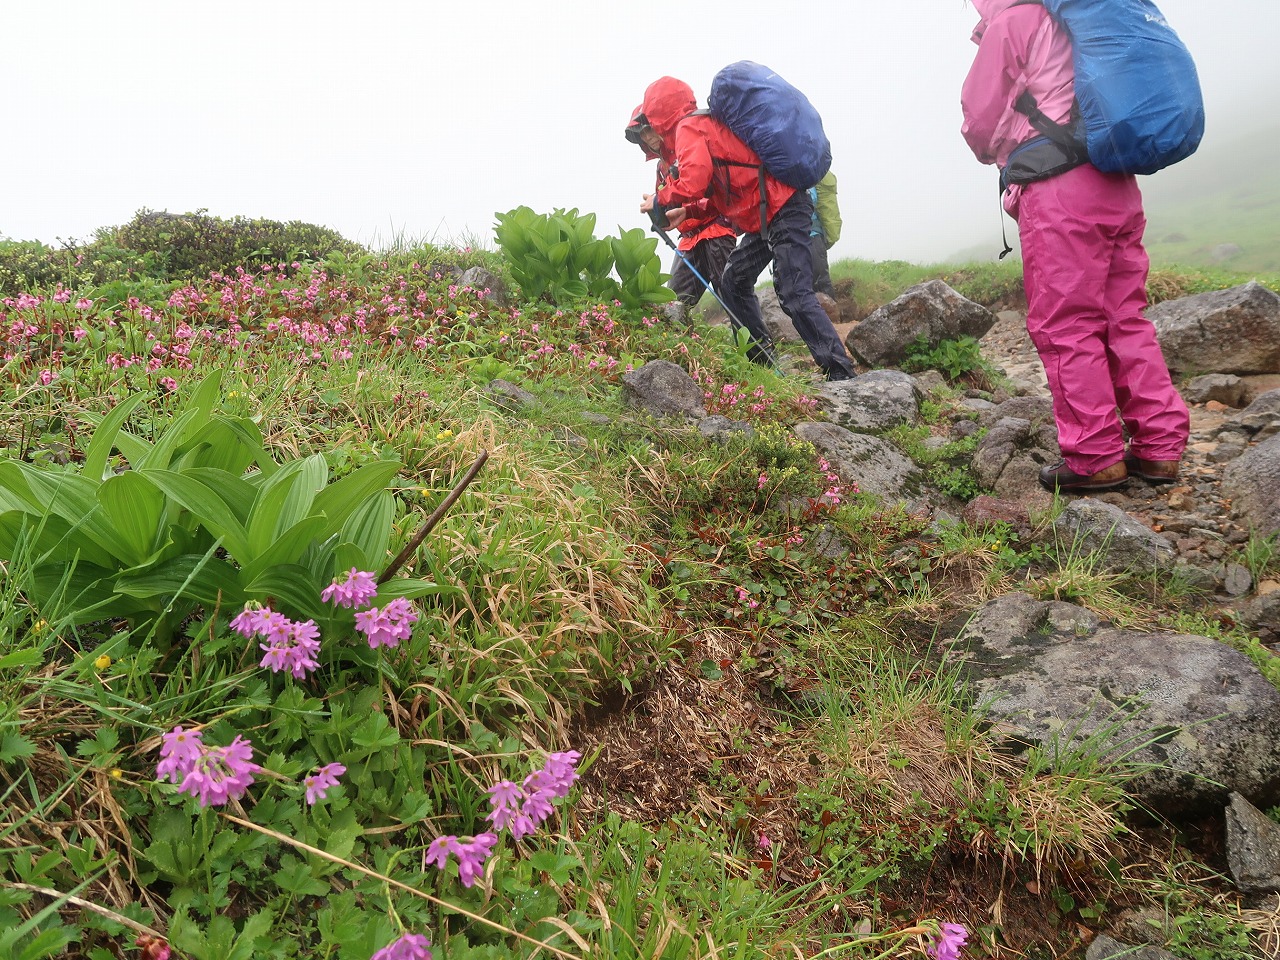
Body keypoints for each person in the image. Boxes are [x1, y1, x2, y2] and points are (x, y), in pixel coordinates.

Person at [960, 0, 1189, 493]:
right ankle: (1160, 448)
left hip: (1059, 190)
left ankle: (1095, 456)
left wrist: (995, 147)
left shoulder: (1016, 19)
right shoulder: (1078, 15)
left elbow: (979, 122)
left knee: (1066, 323)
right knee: (1125, 318)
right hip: (1116, 181)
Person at [636, 77, 856, 381]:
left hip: (784, 207)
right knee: (733, 281)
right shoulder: (701, 127)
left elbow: (695, 180)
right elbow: (720, 195)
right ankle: (761, 361)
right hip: (765, 216)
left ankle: (840, 372)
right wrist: (687, 211)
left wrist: (660, 199)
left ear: (659, 113)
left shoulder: (688, 127)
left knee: (793, 290)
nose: (649, 131)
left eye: (649, 121)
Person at [625, 106, 738, 309]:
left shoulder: (687, 148)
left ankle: (756, 341)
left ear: (660, 126)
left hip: (716, 230)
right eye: (642, 133)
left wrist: (681, 205)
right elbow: (669, 202)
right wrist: (656, 206)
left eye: (649, 129)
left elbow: (710, 189)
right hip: (688, 241)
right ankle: (680, 342)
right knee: (674, 304)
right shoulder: (661, 168)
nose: (648, 137)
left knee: (732, 295)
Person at [808, 170, 841, 299]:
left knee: (818, 283)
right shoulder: (813, 173)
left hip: (808, 237)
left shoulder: (804, 177)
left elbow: (811, 199)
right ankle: (828, 315)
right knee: (820, 282)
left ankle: (829, 316)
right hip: (814, 237)